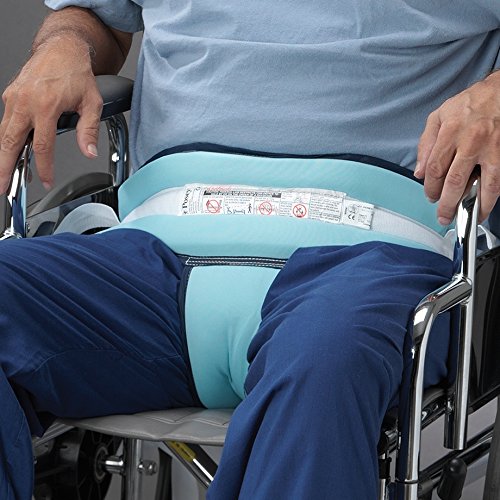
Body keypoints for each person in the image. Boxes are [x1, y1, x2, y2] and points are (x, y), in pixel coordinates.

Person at [0, 1, 498, 499]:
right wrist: (64, 44)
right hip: (152, 250)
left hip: (371, 251)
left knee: (323, 361)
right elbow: (96, 17)